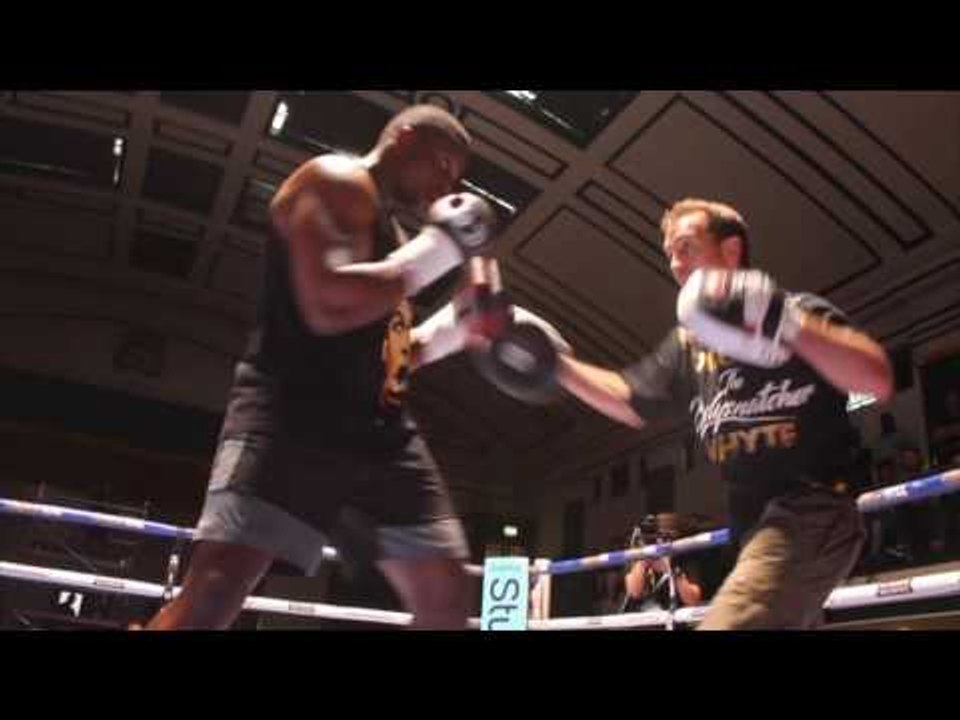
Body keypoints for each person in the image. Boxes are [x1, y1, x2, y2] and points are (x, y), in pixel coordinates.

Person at [146, 105, 501, 630]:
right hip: (294, 412)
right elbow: (327, 305)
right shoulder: (334, 180)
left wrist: (454, 327)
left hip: (378, 431)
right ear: (404, 139)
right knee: (215, 595)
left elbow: (393, 356)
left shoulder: (397, 244)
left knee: (444, 591)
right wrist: (442, 249)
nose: (448, 185)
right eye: (443, 164)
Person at [466, 198, 894, 629]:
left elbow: (875, 378)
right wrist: (553, 363)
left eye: (686, 247)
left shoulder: (798, 310)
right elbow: (629, 398)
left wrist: (786, 325)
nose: (673, 264)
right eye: (669, 253)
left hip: (813, 510)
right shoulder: (688, 346)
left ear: (730, 251)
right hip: (753, 531)